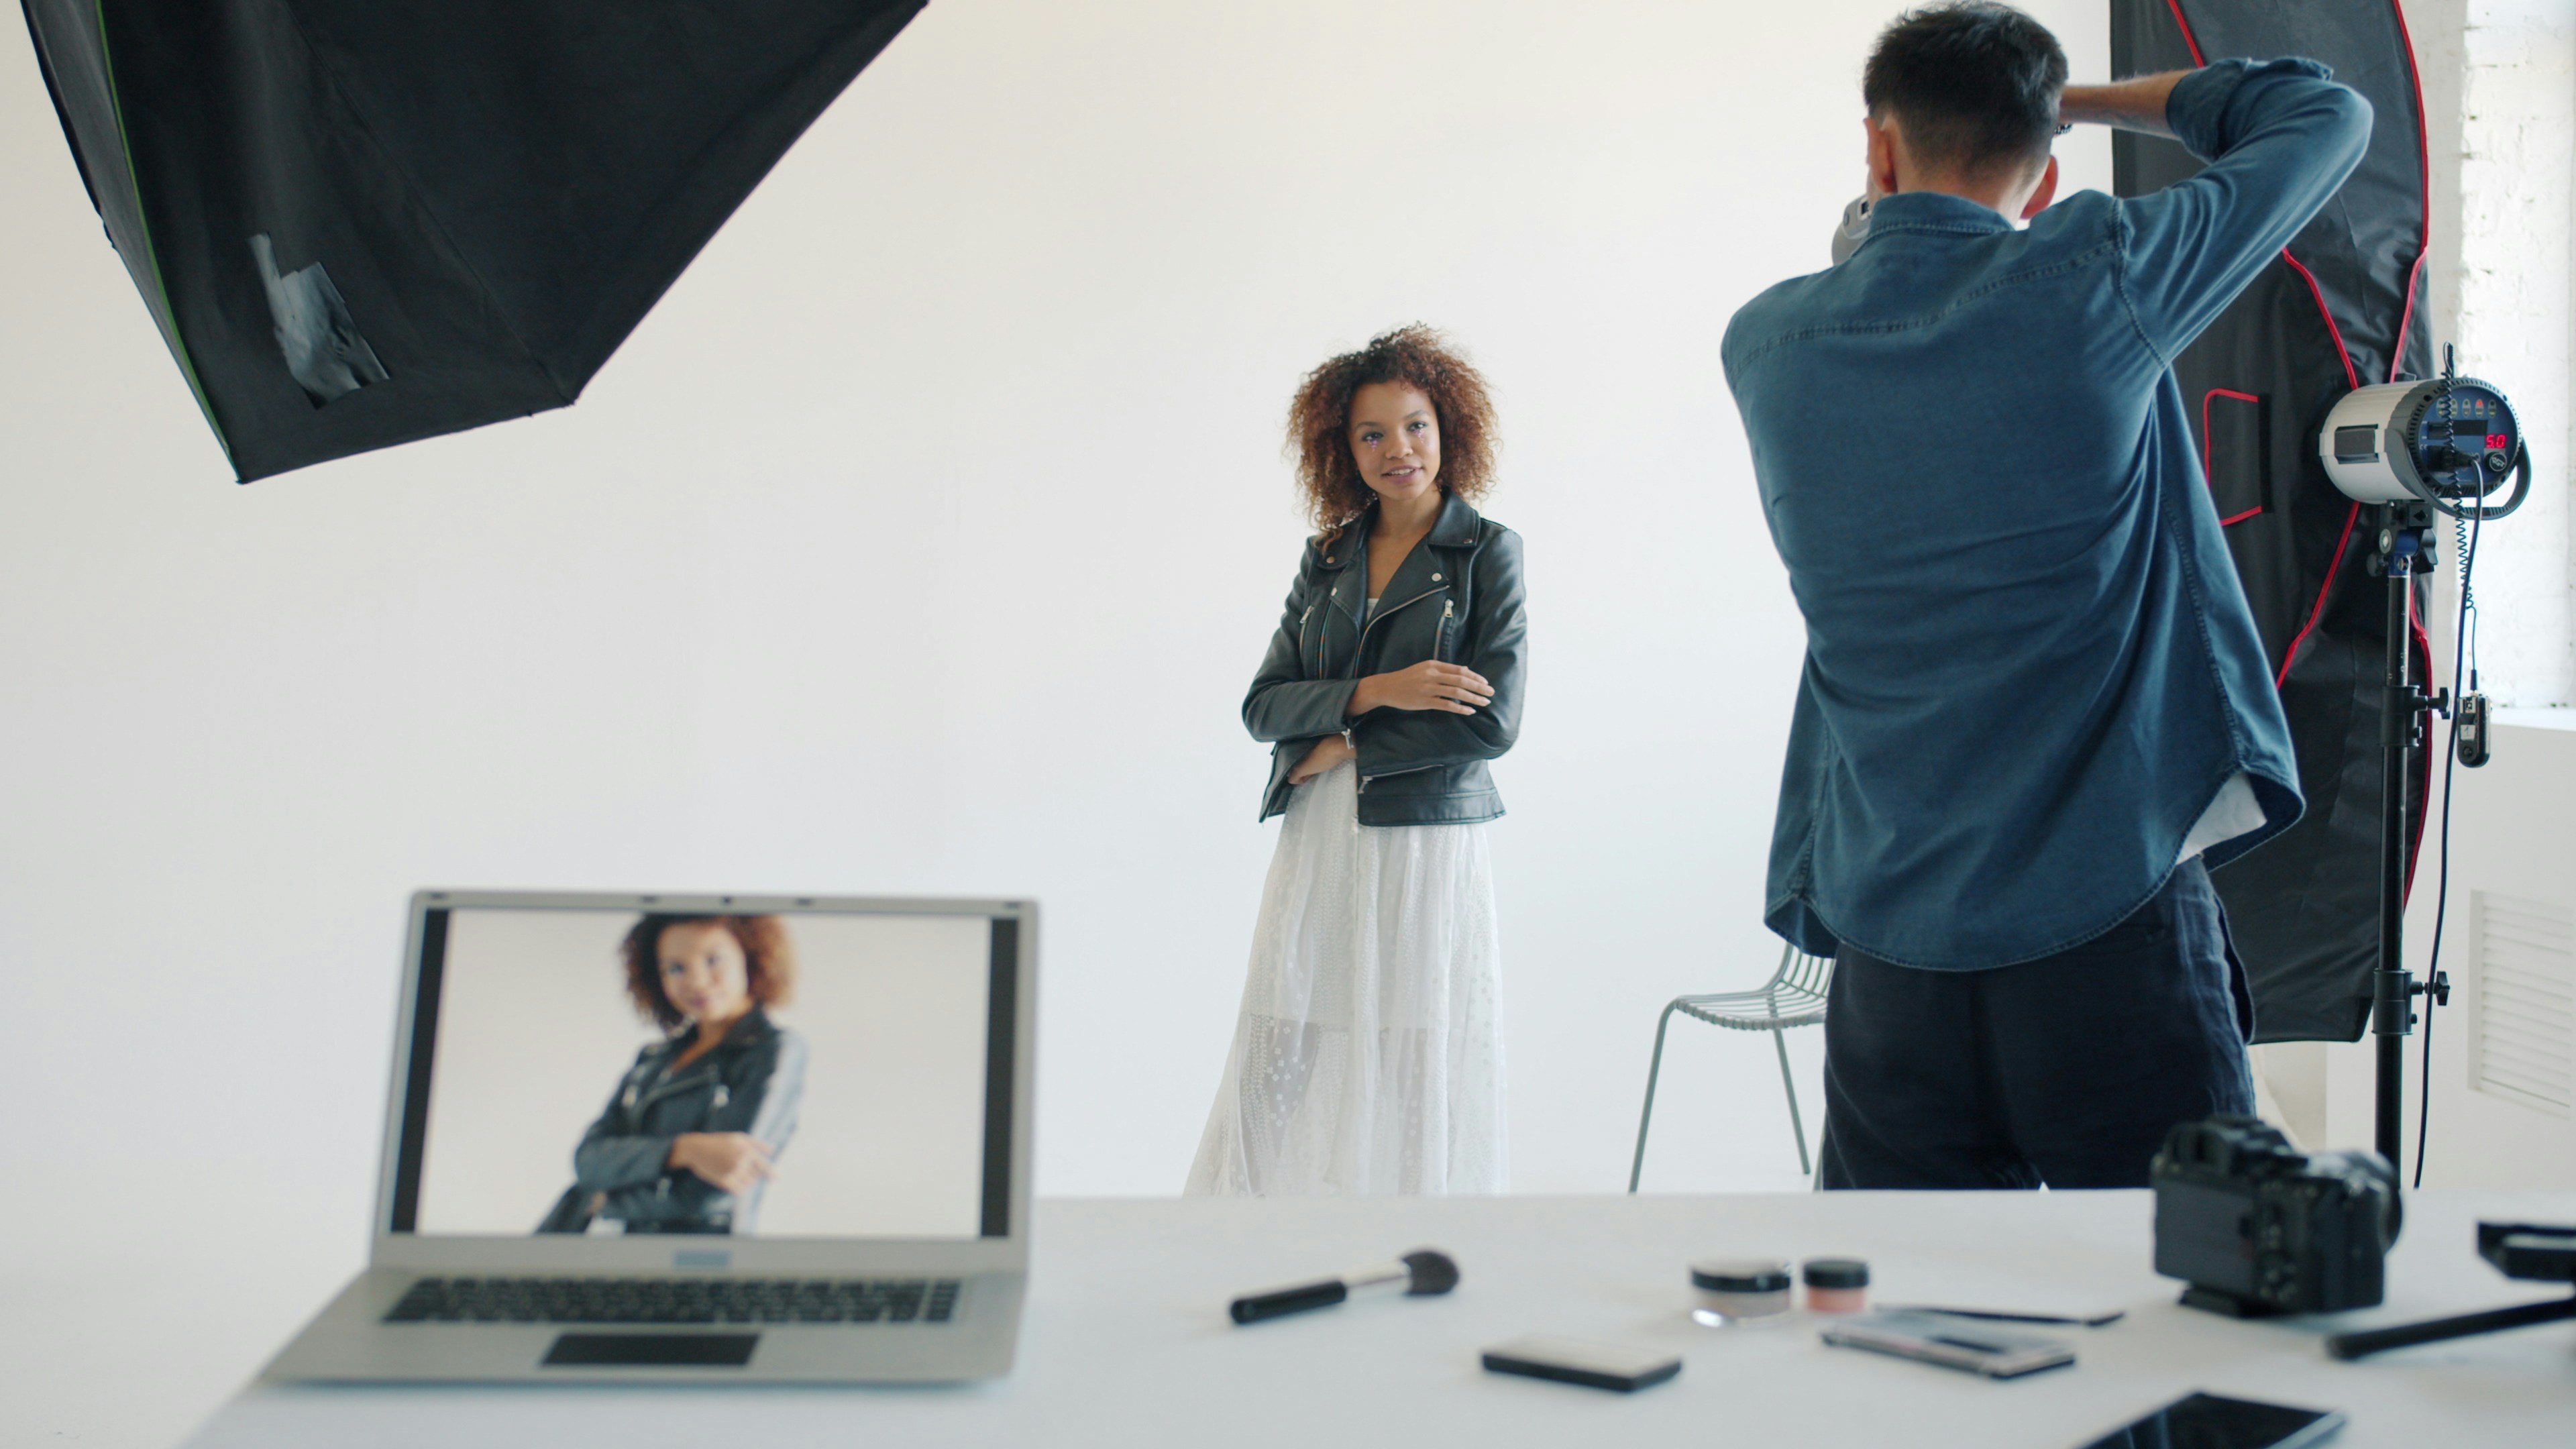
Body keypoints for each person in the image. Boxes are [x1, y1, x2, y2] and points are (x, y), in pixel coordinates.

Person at [1721, 3, 2371, 1188]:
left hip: (1892, 938)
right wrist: (2079, 96)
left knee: (1907, 1315)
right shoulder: (2093, 283)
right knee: (2174, 1296)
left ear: (1877, 149)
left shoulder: (1767, 346)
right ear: (2048, 168)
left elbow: (1861, 272)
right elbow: (2324, 114)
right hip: (2106, 920)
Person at [1185, 325, 1529, 1196]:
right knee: (1286, 1028)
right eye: (1371, 435)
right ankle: (1240, 1222)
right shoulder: (1327, 557)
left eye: (1414, 426)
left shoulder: (1488, 553)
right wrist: (1383, 690)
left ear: (1447, 426)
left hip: (1425, 839)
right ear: (1343, 451)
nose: (1397, 450)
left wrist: (1343, 740)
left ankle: (1414, 1228)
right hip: (1323, 835)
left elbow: (1493, 726)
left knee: (1413, 1047)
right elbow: (1264, 706)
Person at [539, 914, 810, 1233]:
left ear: (750, 957)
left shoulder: (774, 1051)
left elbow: (719, 1189)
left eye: (713, 960)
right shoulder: (653, 1059)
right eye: (676, 968)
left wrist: (602, 1202)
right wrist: (686, 1149)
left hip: (703, 1264)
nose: (696, 981)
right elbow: (588, 1161)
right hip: (615, 1254)